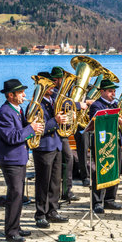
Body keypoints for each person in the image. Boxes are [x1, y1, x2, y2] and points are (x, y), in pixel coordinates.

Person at [0, 79, 44, 242]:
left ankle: (16, 226)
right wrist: (31, 129)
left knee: (18, 195)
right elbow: (11, 137)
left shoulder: (17, 109)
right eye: (20, 92)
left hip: (19, 158)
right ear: (10, 95)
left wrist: (33, 125)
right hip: (10, 160)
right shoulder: (5, 112)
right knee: (14, 195)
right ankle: (11, 232)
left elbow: (22, 130)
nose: (24, 95)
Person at [31, 72, 69, 229]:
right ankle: (40, 214)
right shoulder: (35, 104)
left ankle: (52, 211)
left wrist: (67, 119)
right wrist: (55, 120)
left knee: (55, 182)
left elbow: (60, 122)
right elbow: (37, 129)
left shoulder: (54, 101)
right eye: (50, 84)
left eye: (53, 84)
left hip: (57, 145)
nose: (54, 87)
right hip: (44, 147)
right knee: (42, 183)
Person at [89, 79, 122, 214]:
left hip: (115, 142)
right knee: (101, 171)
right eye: (110, 91)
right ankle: (97, 202)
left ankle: (110, 199)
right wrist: (117, 119)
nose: (113, 93)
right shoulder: (96, 105)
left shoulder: (115, 104)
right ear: (102, 92)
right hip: (101, 144)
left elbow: (116, 120)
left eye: (114, 91)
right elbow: (97, 123)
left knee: (115, 170)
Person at [51, 66, 88, 195]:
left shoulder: (64, 91)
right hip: (56, 131)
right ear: (57, 80)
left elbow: (66, 103)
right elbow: (58, 104)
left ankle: (68, 189)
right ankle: (66, 190)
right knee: (67, 158)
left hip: (65, 128)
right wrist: (78, 105)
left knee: (68, 158)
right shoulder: (53, 92)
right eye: (62, 79)